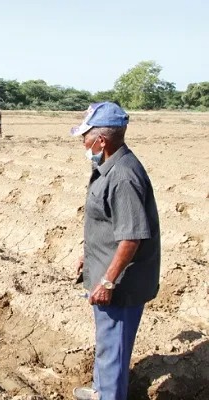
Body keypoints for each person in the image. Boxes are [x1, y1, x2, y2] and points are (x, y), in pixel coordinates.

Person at [71, 102, 161, 400]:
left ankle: (109, 395)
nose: (82, 143)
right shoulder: (107, 166)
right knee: (107, 342)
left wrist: (108, 280)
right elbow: (109, 224)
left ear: (101, 140)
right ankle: (100, 390)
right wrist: (90, 254)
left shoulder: (123, 176)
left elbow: (131, 237)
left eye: (85, 136)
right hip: (106, 270)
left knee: (114, 348)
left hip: (121, 284)